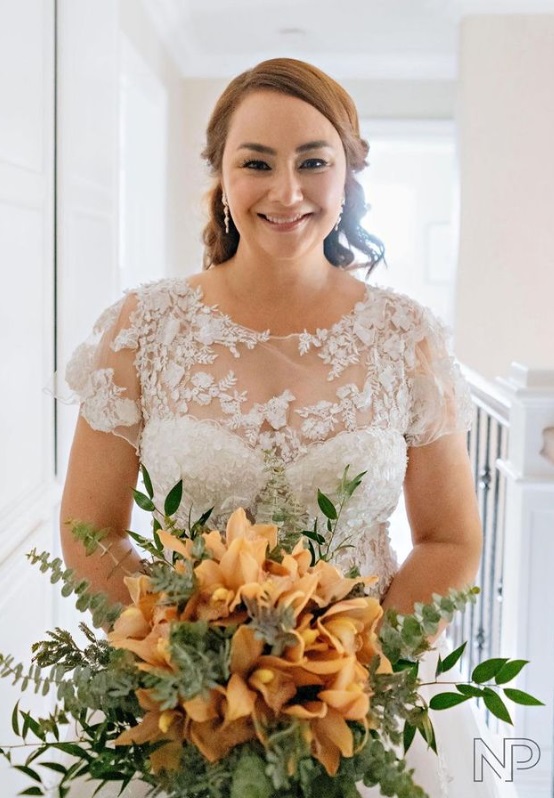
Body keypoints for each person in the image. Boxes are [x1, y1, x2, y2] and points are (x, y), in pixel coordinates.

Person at [60, 58, 508, 798]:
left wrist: (348, 670)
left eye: (313, 161)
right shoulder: (145, 328)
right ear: (222, 178)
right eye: (257, 162)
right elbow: (89, 528)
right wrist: (188, 664)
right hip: (188, 705)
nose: (287, 191)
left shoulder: (406, 337)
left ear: (347, 176)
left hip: (365, 703)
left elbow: (451, 540)